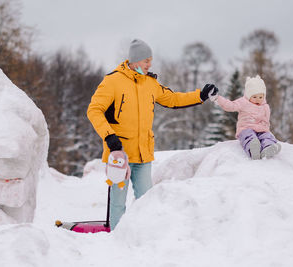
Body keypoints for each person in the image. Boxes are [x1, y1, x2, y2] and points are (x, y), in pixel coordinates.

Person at [87, 39, 218, 230]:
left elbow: (173, 99)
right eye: (146, 60)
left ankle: (145, 237)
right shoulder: (113, 81)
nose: (149, 64)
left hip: (143, 155)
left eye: (151, 60)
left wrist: (200, 95)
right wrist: (109, 136)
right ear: (134, 60)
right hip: (120, 154)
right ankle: (116, 239)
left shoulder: (151, 83)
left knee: (146, 200)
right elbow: (94, 110)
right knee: (117, 203)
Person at [210, 75, 281, 160]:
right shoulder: (243, 102)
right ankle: (253, 149)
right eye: (254, 97)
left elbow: (266, 121)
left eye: (260, 97)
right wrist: (217, 98)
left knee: (267, 136)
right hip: (246, 128)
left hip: (261, 129)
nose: (258, 99)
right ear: (248, 95)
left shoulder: (265, 107)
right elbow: (230, 106)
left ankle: (268, 148)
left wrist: (266, 130)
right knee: (248, 136)